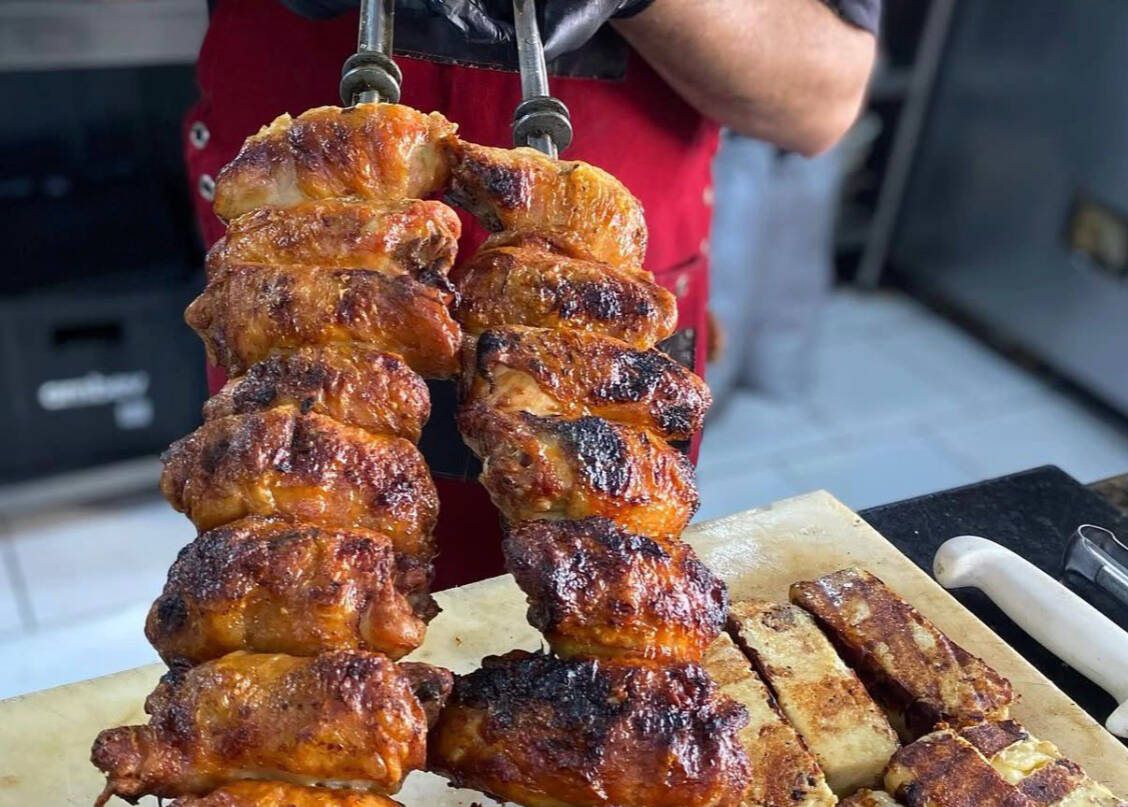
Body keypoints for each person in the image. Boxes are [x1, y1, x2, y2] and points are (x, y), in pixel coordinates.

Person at [184, 0, 878, 586]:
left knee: (607, 581)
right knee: (293, 569)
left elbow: (821, 95)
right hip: (292, 290)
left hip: (594, 305)